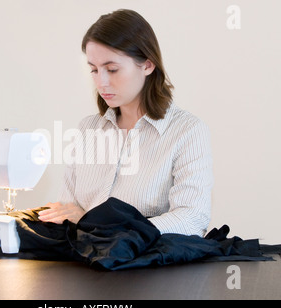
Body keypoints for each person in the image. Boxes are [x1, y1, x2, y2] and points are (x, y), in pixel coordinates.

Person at [38, 9, 213, 237]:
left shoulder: (187, 131)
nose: (101, 82)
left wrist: (99, 225)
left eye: (112, 69)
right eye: (94, 70)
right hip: (85, 263)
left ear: (148, 65)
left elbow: (192, 218)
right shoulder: (87, 130)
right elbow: (67, 211)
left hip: (148, 269)